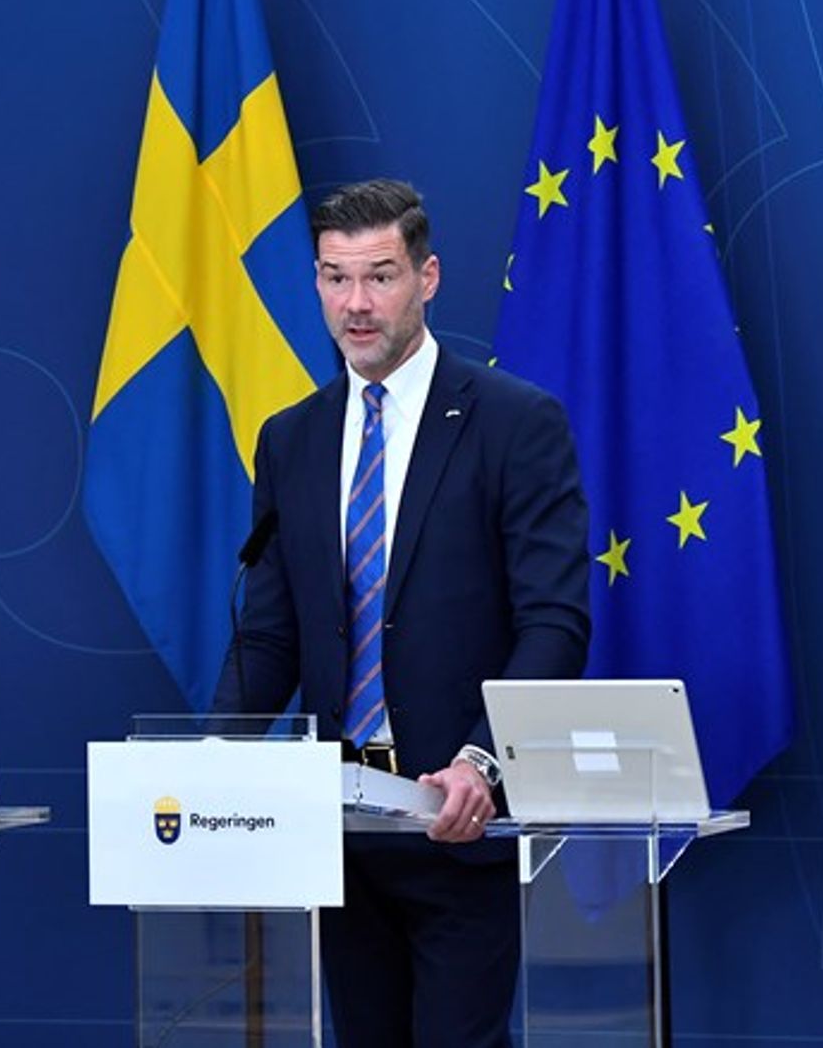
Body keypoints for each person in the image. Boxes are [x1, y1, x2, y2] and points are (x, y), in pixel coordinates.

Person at [213, 178, 591, 1048]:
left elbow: (555, 622)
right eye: (335, 278)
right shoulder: (291, 437)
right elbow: (272, 631)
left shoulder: (513, 422)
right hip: (336, 830)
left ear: (427, 277)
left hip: (458, 817)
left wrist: (480, 761)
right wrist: (209, 758)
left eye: (379, 276)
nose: (356, 303)